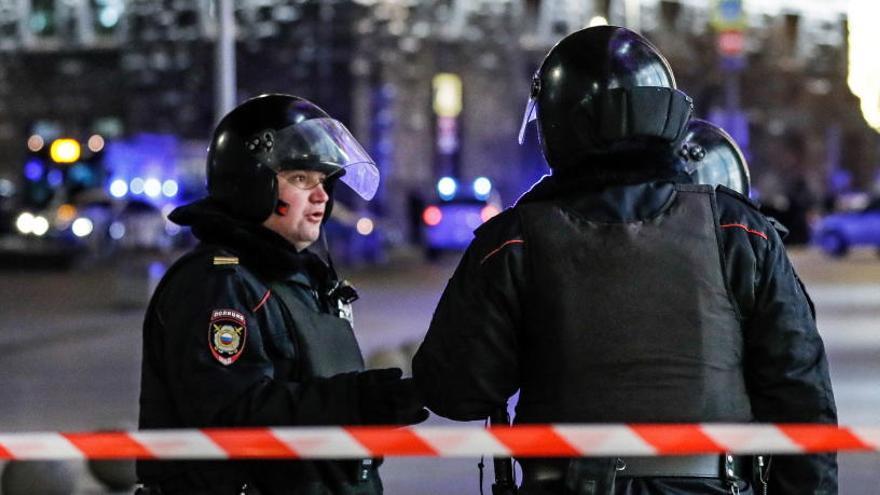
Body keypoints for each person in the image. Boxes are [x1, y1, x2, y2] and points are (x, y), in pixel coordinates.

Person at [412, 26, 837, 494]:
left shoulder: (514, 241)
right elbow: (800, 396)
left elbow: (454, 388)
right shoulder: (737, 230)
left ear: (559, 122)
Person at [137, 93, 428, 495]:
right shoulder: (218, 283)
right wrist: (361, 402)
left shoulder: (294, 277)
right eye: (300, 179)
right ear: (251, 183)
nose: (322, 196)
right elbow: (236, 415)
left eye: (324, 182)